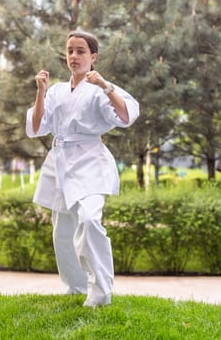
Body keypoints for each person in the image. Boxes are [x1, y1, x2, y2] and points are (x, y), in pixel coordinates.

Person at [25, 30, 139, 307]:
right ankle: (75, 287)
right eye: (70, 51)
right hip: (60, 162)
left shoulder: (99, 87)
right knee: (62, 231)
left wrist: (106, 86)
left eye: (80, 51)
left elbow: (125, 116)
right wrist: (40, 92)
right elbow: (38, 127)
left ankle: (100, 292)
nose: (74, 56)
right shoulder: (56, 91)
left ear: (93, 56)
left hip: (90, 161)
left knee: (89, 220)